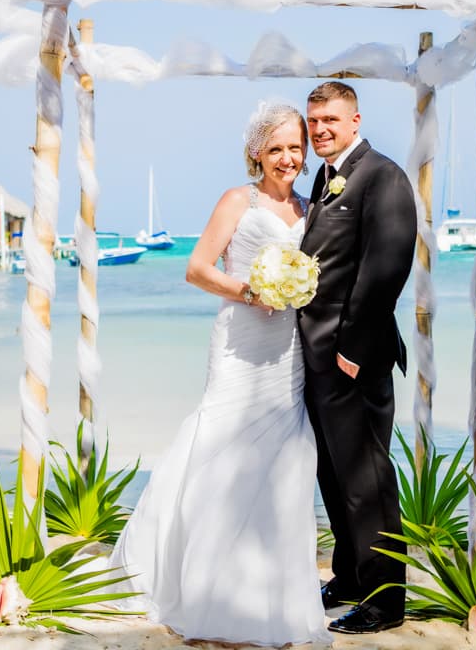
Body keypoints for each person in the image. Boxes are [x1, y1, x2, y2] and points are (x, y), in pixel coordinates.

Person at [108, 101, 331, 647]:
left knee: (284, 461)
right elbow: (197, 268)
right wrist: (250, 290)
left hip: (289, 352)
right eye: (276, 148)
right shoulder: (238, 200)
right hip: (241, 340)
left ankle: (268, 592)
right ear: (256, 151)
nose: (287, 157)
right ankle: (205, 590)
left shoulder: (310, 206)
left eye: (295, 147)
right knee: (222, 448)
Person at [297, 82, 417, 634]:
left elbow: (387, 267)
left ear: (355, 119)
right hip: (314, 356)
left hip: (353, 358)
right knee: (332, 472)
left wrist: (351, 348)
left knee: (366, 477)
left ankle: (385, 601)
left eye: (330, 119)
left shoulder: (382, 175)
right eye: (313, 119)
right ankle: (348, 576)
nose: (320, 128)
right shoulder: (324, 179)